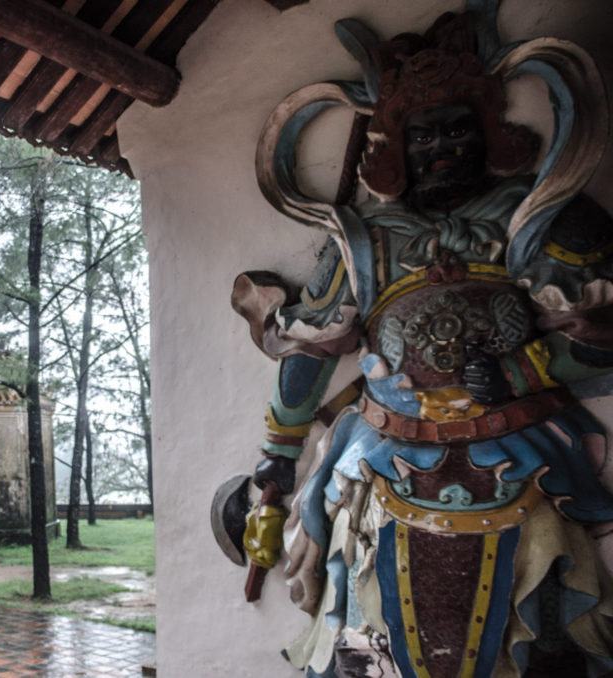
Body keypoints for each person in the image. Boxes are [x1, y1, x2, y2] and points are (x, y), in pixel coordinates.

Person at [233, 9, 613, 678]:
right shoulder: (363, 239)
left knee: (552, 613)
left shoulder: (543, 215)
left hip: (521, 449)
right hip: (382, 453)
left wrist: (522, 374)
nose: (442, 148)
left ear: (489, 131)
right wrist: (276, 455)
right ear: (394, 146)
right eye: (424, 134)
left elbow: (602, 333)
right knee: (360, 606)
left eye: (459, 130)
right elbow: (311, 349)